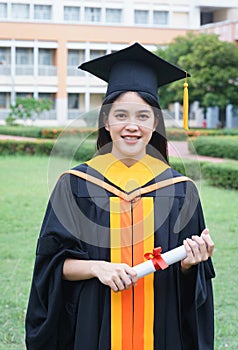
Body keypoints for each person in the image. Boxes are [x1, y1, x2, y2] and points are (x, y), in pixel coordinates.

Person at [25, 42, 215, 350]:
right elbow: (51, 267)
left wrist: (190, 263)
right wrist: (97, 267)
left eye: (143, 116)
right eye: (121, 115)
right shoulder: (74, 185)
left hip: (160, 327)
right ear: (106, 121)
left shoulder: (181, 190)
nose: (132, 126)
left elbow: (194, 287)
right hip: (93, 326)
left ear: (155, 123)